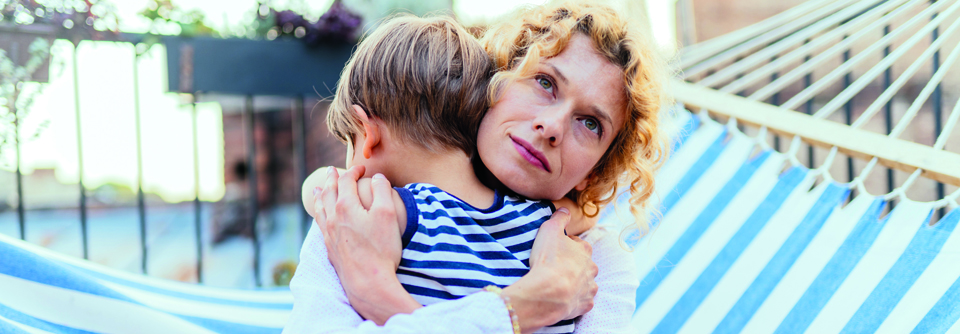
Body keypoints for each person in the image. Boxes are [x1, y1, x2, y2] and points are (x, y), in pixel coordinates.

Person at [292, 1, 670, 333]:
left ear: (595, 171)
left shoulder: (593, 262)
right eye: (544, 82)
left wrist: (379, 298)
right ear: (497, 79)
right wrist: (525, 306)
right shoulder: (354, 217)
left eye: (591, 123)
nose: (552, 127)